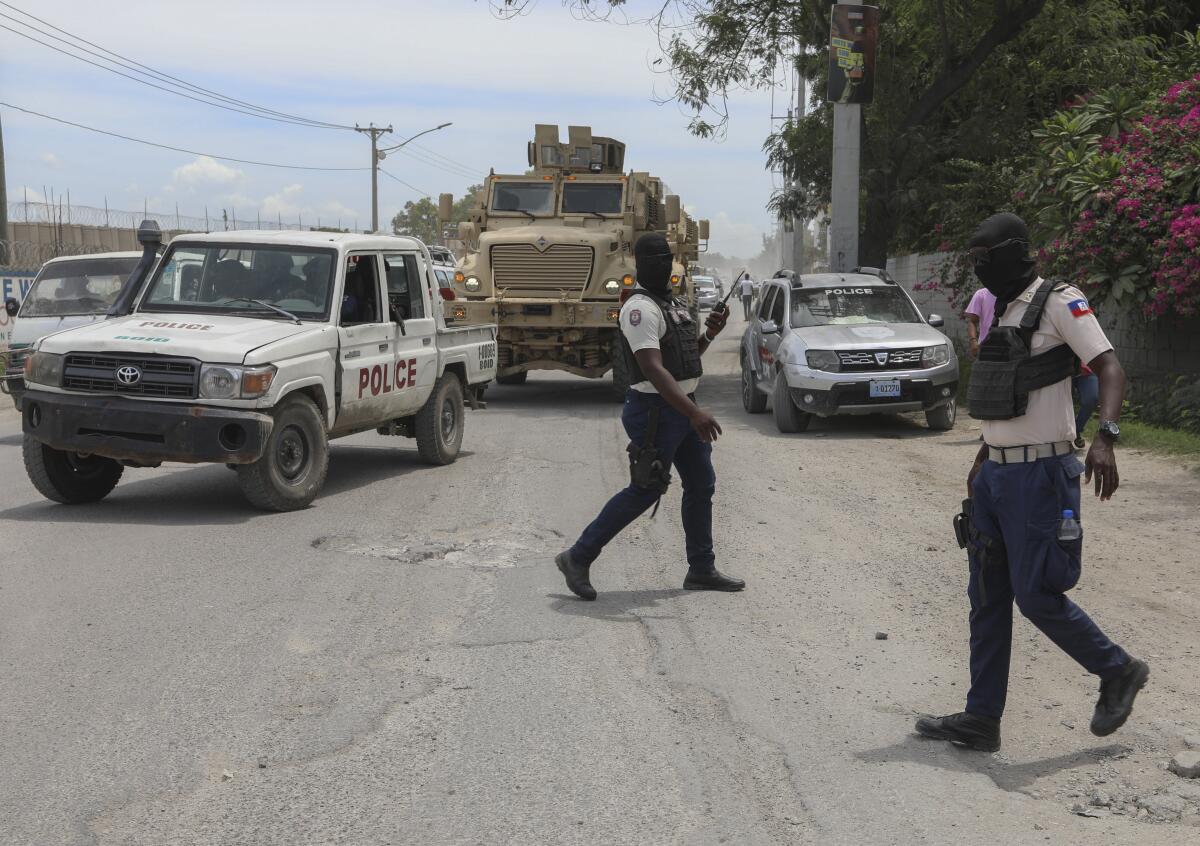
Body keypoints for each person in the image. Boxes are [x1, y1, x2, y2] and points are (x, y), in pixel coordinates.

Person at [916, 212, 1148, 753]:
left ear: (1015, 252)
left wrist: (1106, 437)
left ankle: (1117, 669)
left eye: (984, 256)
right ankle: (980, 719)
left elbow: (1109, 367)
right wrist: (981, 462)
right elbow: (1003, 393)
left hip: (1042, 476)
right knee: (987, 597)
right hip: (997, 474)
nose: (978, 267)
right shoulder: (999, 306)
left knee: (1037, 594)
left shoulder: (1061, 301)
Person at [555, 233, 745, 600]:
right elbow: (654, 370)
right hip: (656, 412)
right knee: (645, 490)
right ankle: (577, 557)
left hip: (681, 407)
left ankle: (701, 568)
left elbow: (685, 360)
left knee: (701, 483)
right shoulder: (639, 309)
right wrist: (694, 413)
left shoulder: (672, 305)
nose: (662, 265)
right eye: (654, 260)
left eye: (667, 258)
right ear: (639, 265)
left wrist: (710, 333)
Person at [963, 286, 996, 359]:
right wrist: (973, 341)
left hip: (1009, 346)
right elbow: (972, 321)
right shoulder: (981, 294)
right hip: (986, 346)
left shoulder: (1013, 293)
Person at [1073, 364, 1100, 449]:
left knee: (1090, 399)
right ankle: (1066, 436)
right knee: (1064, 402)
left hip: (1087, 369)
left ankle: (1076, 430)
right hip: (1063, 370)